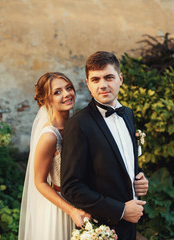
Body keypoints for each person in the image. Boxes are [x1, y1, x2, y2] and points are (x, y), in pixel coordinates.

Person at [61, 51, 149, 240]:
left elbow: (123, 160)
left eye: (109, 77)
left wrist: (140, 178)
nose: (103, 85)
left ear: (120, 79)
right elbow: (71, 187)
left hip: (131, 225)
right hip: (103, 228)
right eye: (95, 79)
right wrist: (120, 210)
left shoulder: (128, 114)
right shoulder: (78, 125)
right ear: (88, 84)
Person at [18, 72, 90, 240]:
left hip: (85, 202)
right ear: (46, 100)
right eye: (57, 92)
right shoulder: (49, 136)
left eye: (69, 88)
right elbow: (40, 182)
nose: (66, 94)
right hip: (61, 210)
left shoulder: (79, 125)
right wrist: (72, 211)